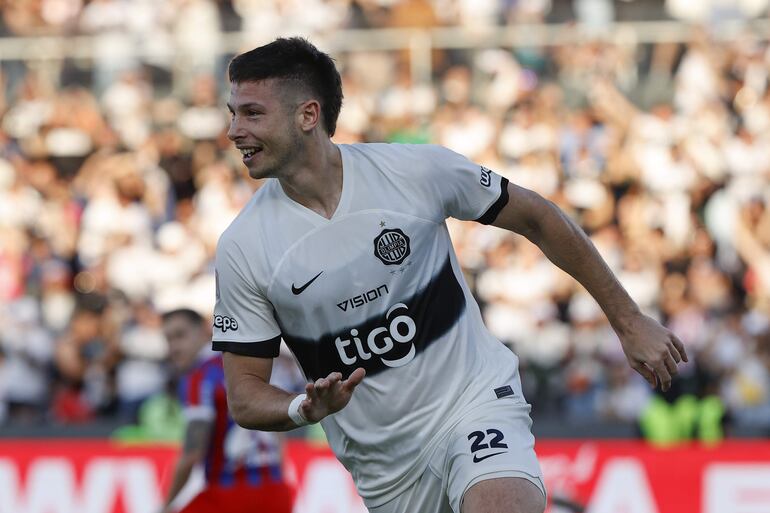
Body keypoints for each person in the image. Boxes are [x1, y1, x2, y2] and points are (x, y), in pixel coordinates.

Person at [214, 37, 688, 513]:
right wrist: (304, 408)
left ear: (308, 115)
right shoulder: (244, 247)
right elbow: (246, 395)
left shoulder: (414, 171)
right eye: (232, 113)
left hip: (473, 403)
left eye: (252, 113)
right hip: (388, 471)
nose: (234, 130)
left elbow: (538, 217)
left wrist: (628, 320)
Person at [159, 308, 293, 513]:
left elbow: (192, 453)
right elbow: (278, 432)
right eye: (169, 340)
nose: (174, 347)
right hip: (277, 492)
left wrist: (165, 505)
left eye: (180, 335)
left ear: (205, 331)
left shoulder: (199, 377)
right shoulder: (250, 365)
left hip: (229, 496)